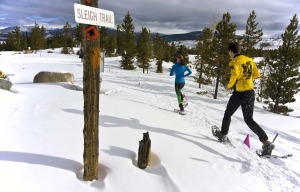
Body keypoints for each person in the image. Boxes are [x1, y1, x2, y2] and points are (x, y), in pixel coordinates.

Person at [215, 42, 274, 156]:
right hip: (250, 93)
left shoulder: (234, 61)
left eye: (229, 52)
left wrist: (229, 85)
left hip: (239, 93)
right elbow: (256, 74)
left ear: (231, 51)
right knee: (249, 119)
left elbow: (234, 75)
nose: (229, 54)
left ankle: (223, 135)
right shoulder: (249, 59)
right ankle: (266, 142)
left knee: (228, 114)